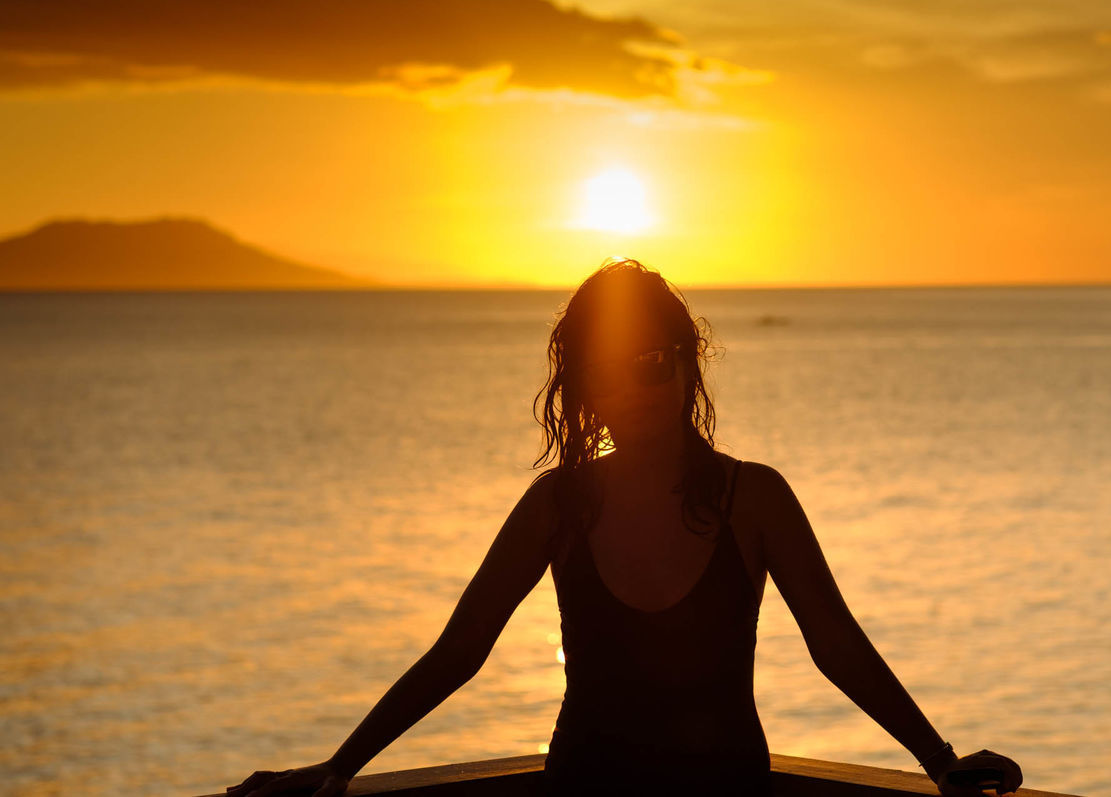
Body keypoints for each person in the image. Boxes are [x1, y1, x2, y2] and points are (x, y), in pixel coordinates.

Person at [226, 259, 1022, 797]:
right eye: (607, 369)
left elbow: (838, 646)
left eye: (651, 362)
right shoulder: (556, 507)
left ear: (687, 362)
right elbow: (458, 652)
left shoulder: (757, 500)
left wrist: (940, 762)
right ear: (583, 387)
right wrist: (336, 769)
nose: (632, 388)